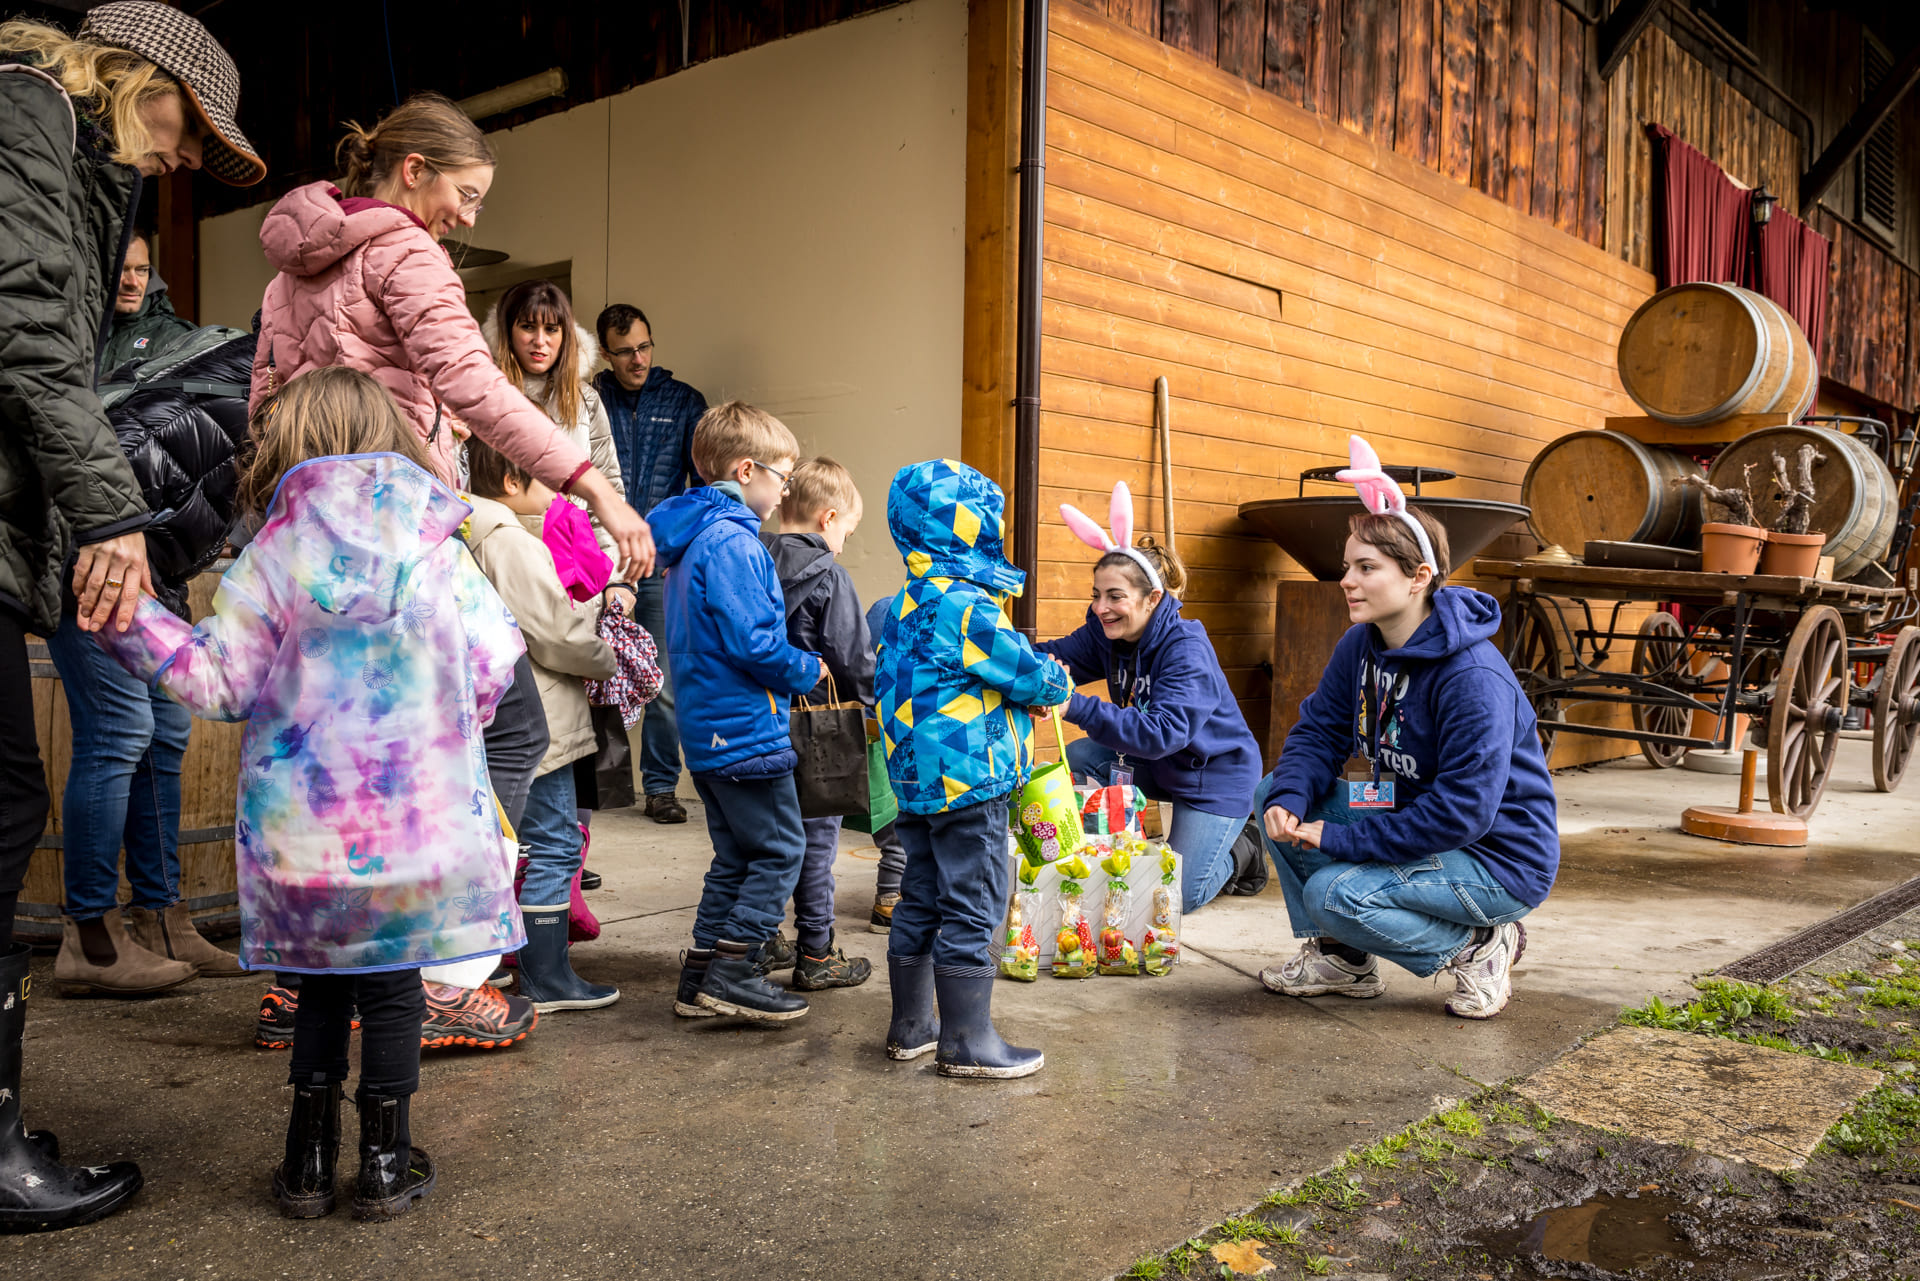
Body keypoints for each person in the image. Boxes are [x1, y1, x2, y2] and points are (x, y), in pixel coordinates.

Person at [250, 92, 653, 1043]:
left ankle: (303, 985)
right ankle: (436, 971)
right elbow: (472, 386)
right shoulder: (403, 251)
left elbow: (262, 404)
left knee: (336, 762)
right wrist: (592, 483)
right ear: (415, 170)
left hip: (317, 543)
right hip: (398, 537)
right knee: (504, 730)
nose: (472, 216)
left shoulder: (285, 276)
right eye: (467, 193)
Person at [99, 368, 524, 1219]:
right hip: (419, 830)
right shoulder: (440, 542)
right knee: (397, 985)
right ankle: (383, 1161)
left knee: (321, 984)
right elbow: (495, 656)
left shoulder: (275, 553)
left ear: (294, 446)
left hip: (305, 840)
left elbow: (218, 679)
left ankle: (306, 1159)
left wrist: (127, 619)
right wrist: (444, 729)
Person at [0, 0, 263, 1232]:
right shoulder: (28, 115)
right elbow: (32, 342)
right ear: (133, 77)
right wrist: (109, 521)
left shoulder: (51, 139)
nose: (176, 159)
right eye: (179, 127)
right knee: (11, 796)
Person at [1257, 438, 1558, 1020]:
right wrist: (1295, 799)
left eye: (1367, 568)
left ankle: (1481, 945)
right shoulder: (1360, 645)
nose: (1347, 580)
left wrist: (1342, 840)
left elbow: (1463, 813)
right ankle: (1344, 960)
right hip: (1403, 805)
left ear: (1419, 576)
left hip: (1496, 856)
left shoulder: (1472, 678)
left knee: (1335, 893)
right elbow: (1319, 732)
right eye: (1349, 566)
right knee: (1273, 794)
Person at [53, 321, 260, 996]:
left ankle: (163, 916)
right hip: (91, 550)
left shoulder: (257, 390)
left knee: (166, 731)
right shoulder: (235, 392)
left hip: (152, 566)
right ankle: (90, 936)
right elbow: (114, 460)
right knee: (118, 729)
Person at [875, 459, 1072, 1080]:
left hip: (915, 781)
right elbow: (1028, 672)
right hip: (970, 781)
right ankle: (968, 1039)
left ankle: (912, 1027)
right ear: (969, 528)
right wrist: (1054, 681)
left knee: (920, 897)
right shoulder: (967, 607)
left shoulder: (901, 604)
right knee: (974, 903)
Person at [648, 403, 823, 1024]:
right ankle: (733, 971)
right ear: (747, 470)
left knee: (736, 857)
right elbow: (754, 644)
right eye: (783, 475)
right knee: (781, 850)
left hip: (709, 728)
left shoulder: (694, 539)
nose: (787, 488)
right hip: (746, 728)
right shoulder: (734, 543)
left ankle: (699, 975)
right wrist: (808, 669)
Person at [1040, 483, 1263, 914]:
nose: (1102, 607)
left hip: (1212, 775)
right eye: (1097, 595)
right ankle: (1110, 854)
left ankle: (1244, 850)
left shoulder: (1186, 648)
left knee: (1175, 898)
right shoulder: (1108, 633)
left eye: (1116, 597)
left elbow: (1163, 732)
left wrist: (1073, 704)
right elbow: (1054, 656)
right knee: (1083, 757)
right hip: (1151, 763)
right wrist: (997, 654)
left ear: (1153, 598)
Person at [462, 438, 623, 1013]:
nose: (561, 493)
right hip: (545, 720)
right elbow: (556, 633)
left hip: (489, 719)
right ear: (510, 480)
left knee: (515, 841)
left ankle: (506, 965)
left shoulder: (464, 532)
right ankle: (547, 975)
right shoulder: (506, 540)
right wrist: (607, 653)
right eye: (549, 480)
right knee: (554, 843)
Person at [487, 278, 626, 884]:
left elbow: (609, 492)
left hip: (582, 572)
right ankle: (529, 864)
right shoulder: (486, 393)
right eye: (527, 326)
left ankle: (567, 869)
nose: (540, 340)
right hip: (512, 567)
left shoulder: (586, 401)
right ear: (506, 331)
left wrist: (615, 580)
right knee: (527, 724)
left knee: (585, 727)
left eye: (552, 328)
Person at [759, 457, 875, 991]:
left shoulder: (752, 559)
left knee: (763, 841)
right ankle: (817, 951)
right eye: (848, 531)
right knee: (815, 843)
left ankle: (759, 940)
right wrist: (874, 714)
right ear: (828, 518)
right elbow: (853, 659)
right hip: (816, 731)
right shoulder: (829, 574)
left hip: (755, 723)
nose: (845, 542)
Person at [594, 303, 708, 826]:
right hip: (596, 557)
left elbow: (702, 486)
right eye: (625, 351)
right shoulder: (588, 398)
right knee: (589, 674)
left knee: (662, 680)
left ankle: (660, 787)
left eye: (644, 346)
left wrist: (679, 546)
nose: (637, 358)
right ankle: (597, 784)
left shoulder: (685, 402)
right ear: (605, 353)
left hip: (658, 561)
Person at [864, 597, 908, 934]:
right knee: (900, 826)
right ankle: (889, 897)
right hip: (890, 736)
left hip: (873, 730)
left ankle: (893, 895)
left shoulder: (884, 608)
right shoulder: (894, 610)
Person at [99, 232, 195, 374]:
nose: (133, 282)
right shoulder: (73, 328)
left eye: (142, 270)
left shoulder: (178, 338)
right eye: (121, 270)